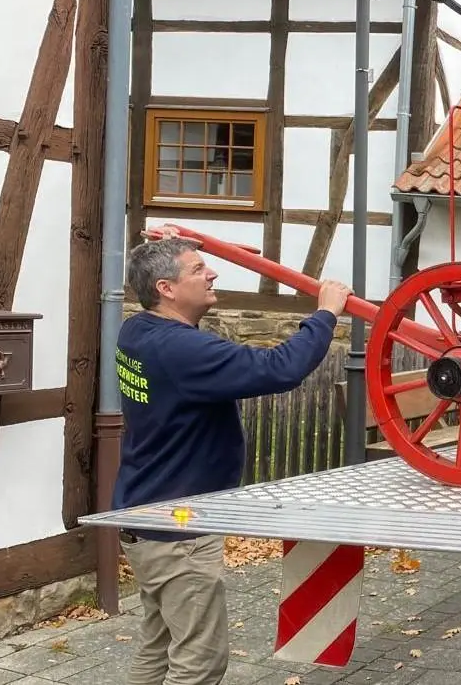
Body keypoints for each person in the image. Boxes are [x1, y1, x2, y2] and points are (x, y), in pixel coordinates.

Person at [113, 229, 350, 685]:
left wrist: (165, 248)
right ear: (166, 289)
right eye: (198, 269)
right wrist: (325, 313)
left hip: (146, 514)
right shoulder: (180, 349)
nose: (212, 271)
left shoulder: (137, 330)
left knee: (159, 646)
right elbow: (279, 369)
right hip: (177, 528)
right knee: (199, 662)